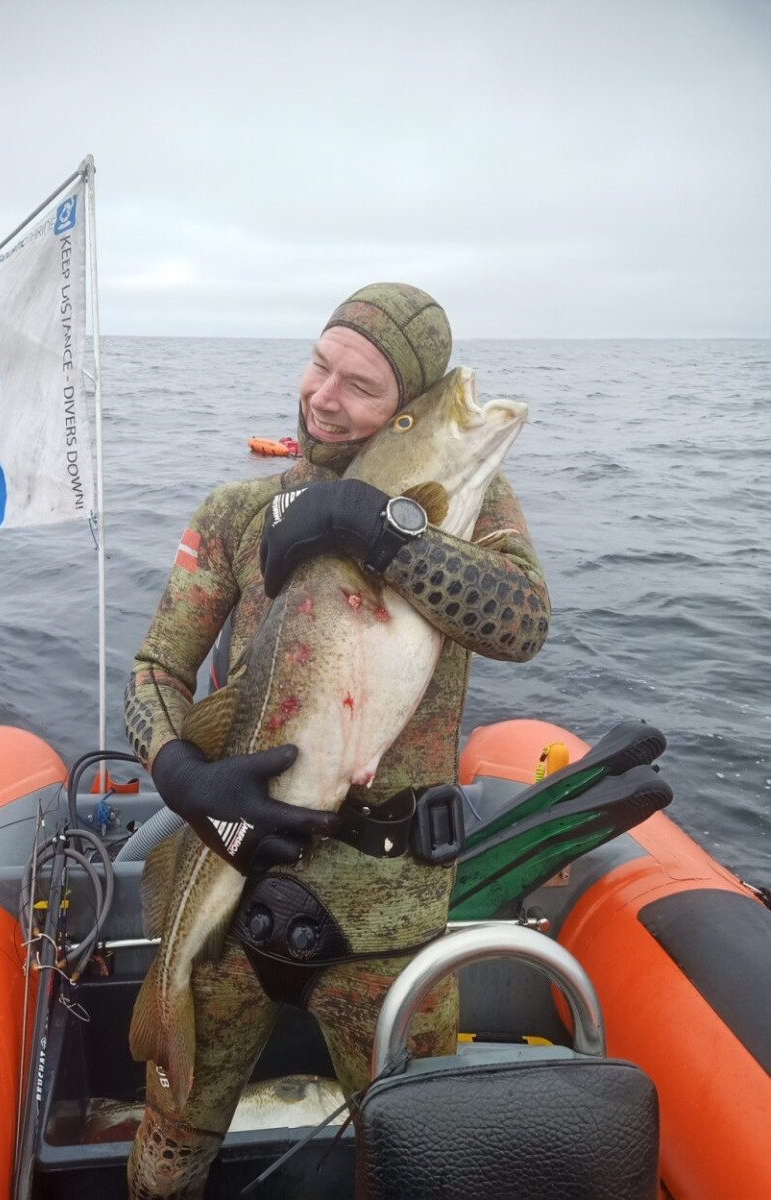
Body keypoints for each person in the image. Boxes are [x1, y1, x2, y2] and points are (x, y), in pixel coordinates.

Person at [123, 282, 551, 1198]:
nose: (323, 396)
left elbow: (521, 623)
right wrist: (180, 773)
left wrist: (379, 527)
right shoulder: (235, 511)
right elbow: (155, 669)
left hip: (391, 920)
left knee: (417, 1167)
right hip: (236, 892)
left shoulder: (468, 504)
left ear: (405, 412)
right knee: (166, 1159)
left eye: (360, 386)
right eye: (321, 364)